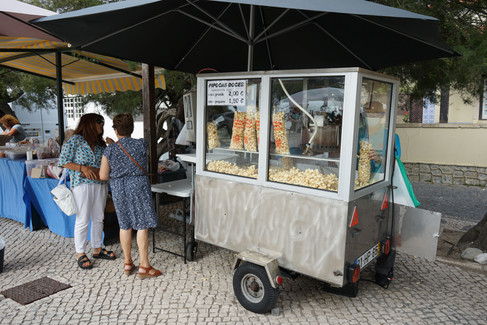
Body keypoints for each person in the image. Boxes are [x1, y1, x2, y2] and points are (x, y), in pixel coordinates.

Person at [99, 113, 161, 279]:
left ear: (115, 129)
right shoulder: (141, 144)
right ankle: (144, 266)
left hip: (119, 188)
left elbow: (103, 176)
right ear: (132, 128)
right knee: (141, 225)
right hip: (138, 185)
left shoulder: (109, 150)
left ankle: (128, 263)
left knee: (124, 225)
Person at [58, 113, 116, 270]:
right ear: (89, 123)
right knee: (82, 219)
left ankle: (97, 249)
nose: (101, 126)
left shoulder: (101, 144)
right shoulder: (76, 140)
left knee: (99, 218)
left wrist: (113, 146)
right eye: (99, 123)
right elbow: (63, 161)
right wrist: (82, 167)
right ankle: (80, 253)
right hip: (81, 184)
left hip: (100, 184)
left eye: (102, 123)